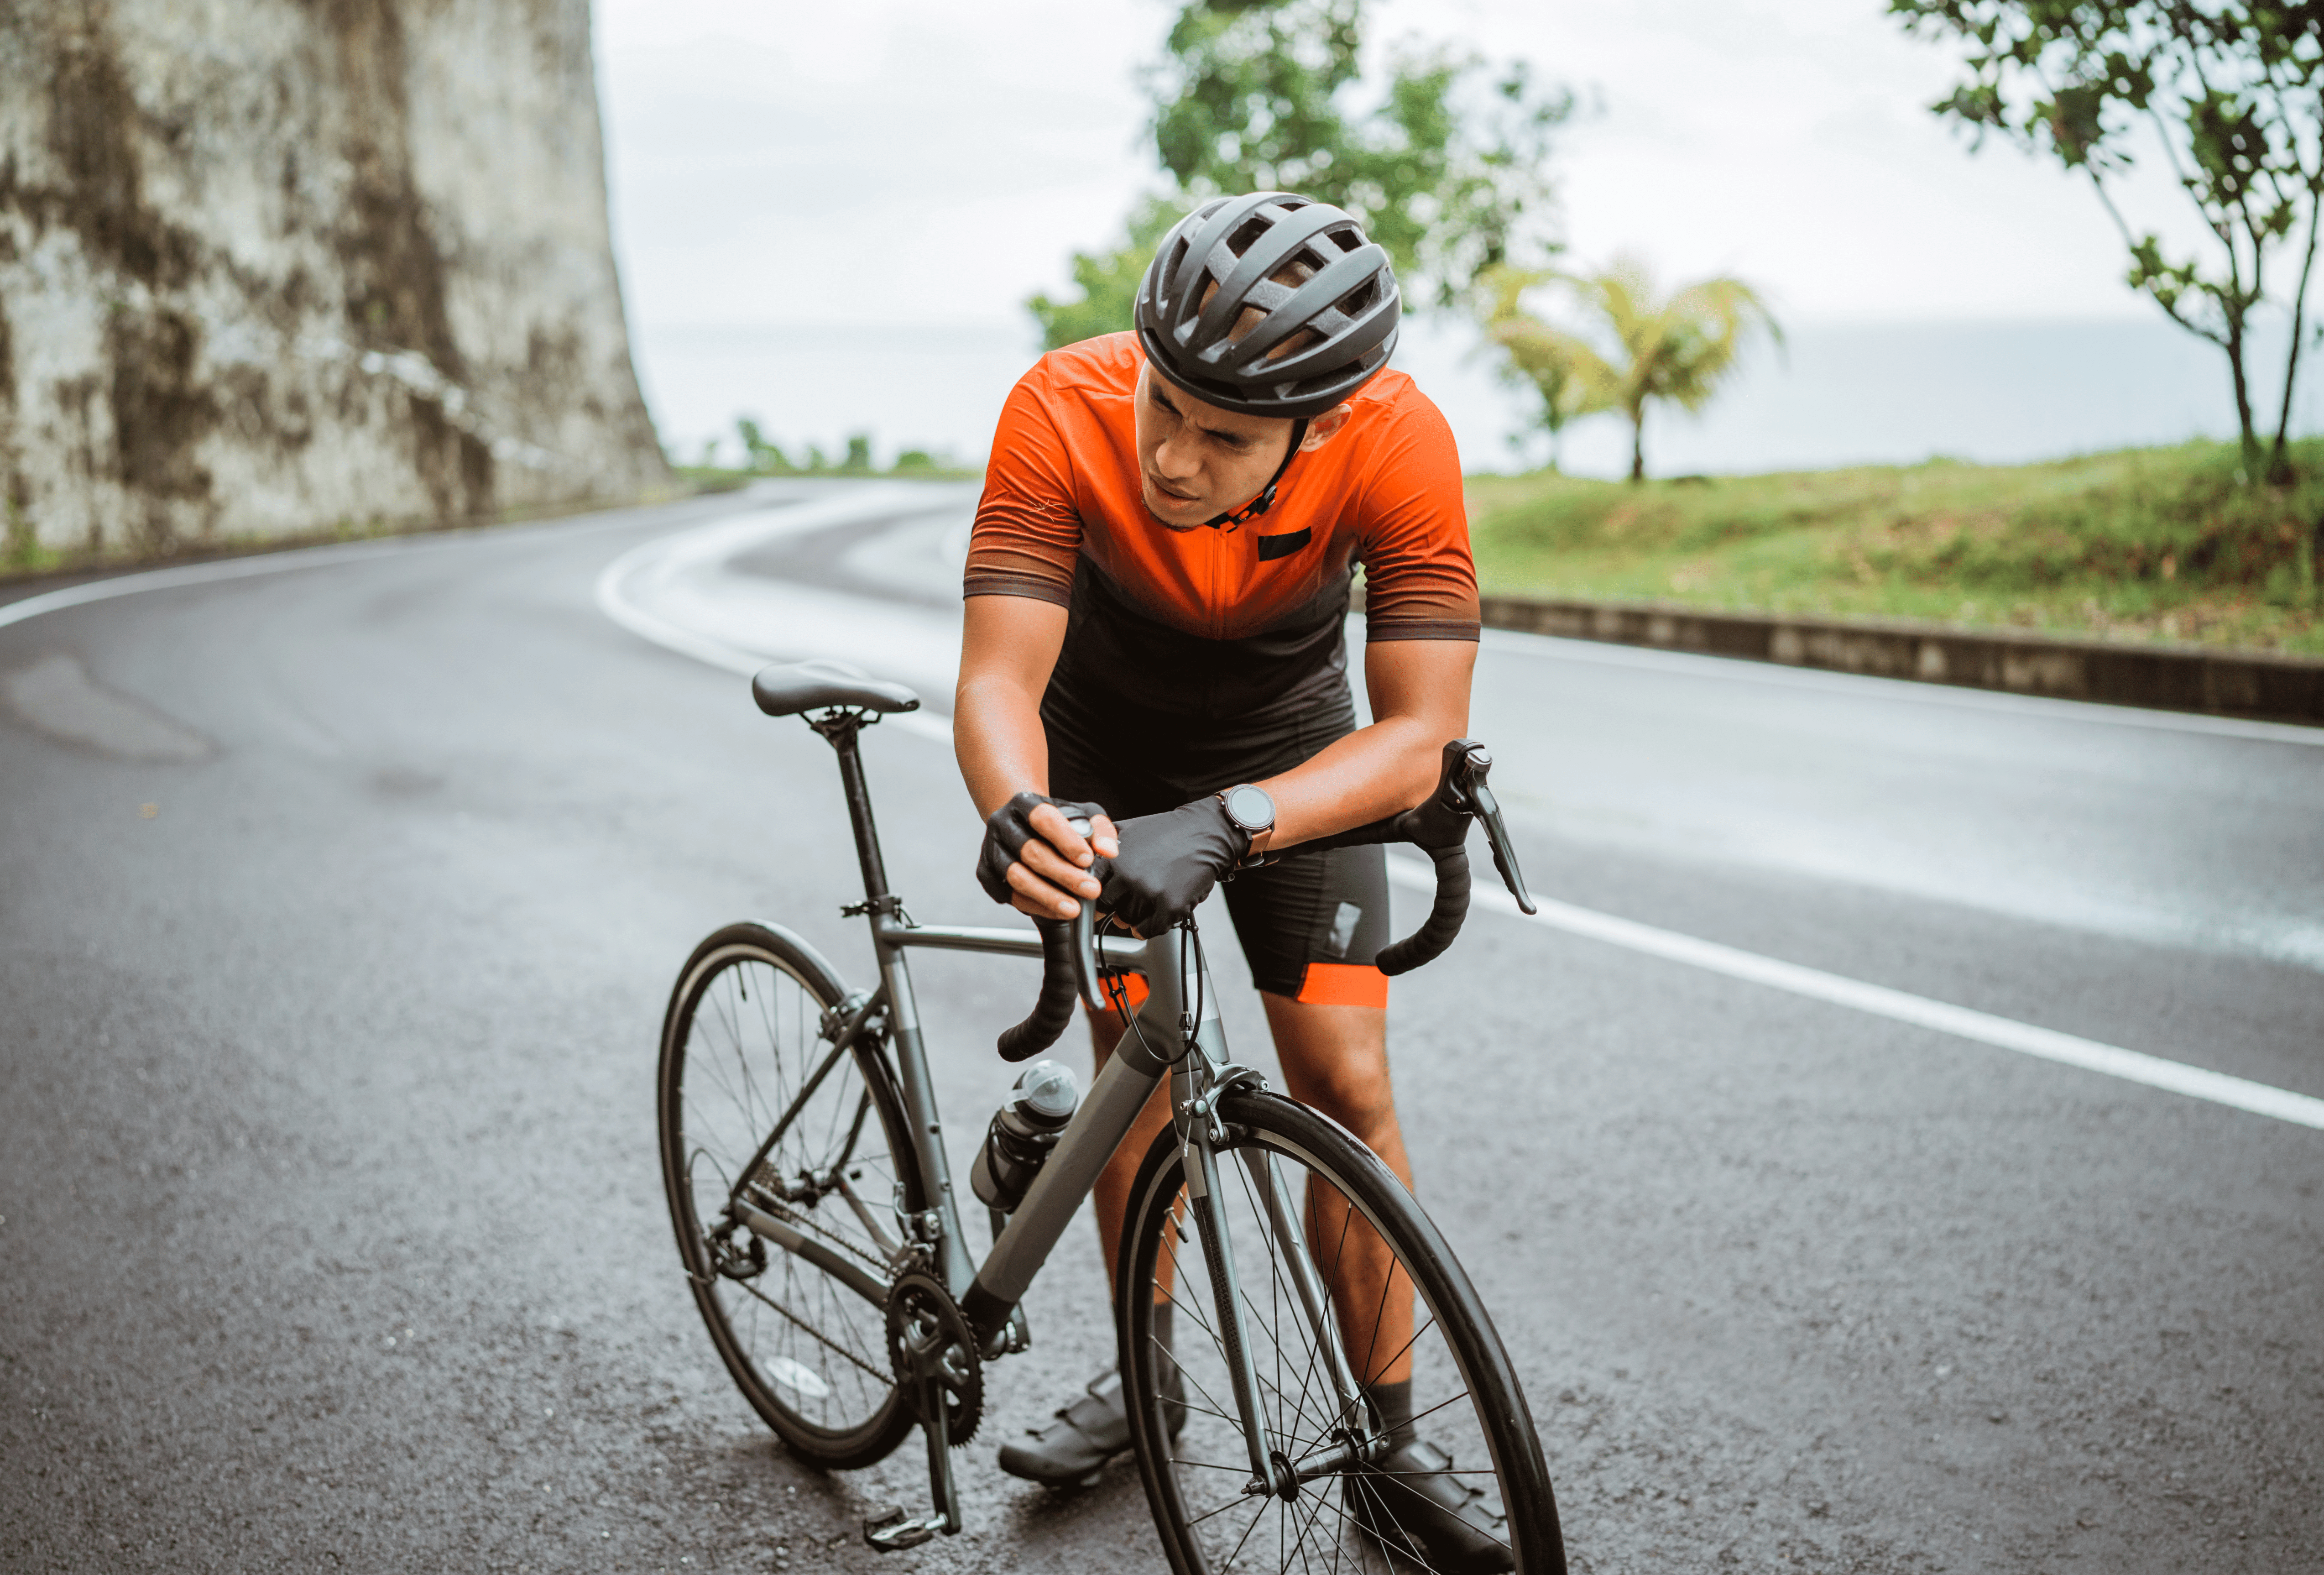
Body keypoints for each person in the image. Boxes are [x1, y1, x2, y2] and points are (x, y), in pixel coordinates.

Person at [954, 190, 1504, 1570]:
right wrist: (1022, 809)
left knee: (1348, 1082)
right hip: (1105, 752)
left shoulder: (1396, 435)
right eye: (1164, 405)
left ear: (1317, 428)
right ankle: (1150, 1393)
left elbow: (1418, 732)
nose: (1171, 458)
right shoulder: (1061, 404)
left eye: (1224, 438)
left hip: (1293, 758)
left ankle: (1390, 1446)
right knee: (1138, 1075)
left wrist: (1237, 818)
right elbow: (995, 681)